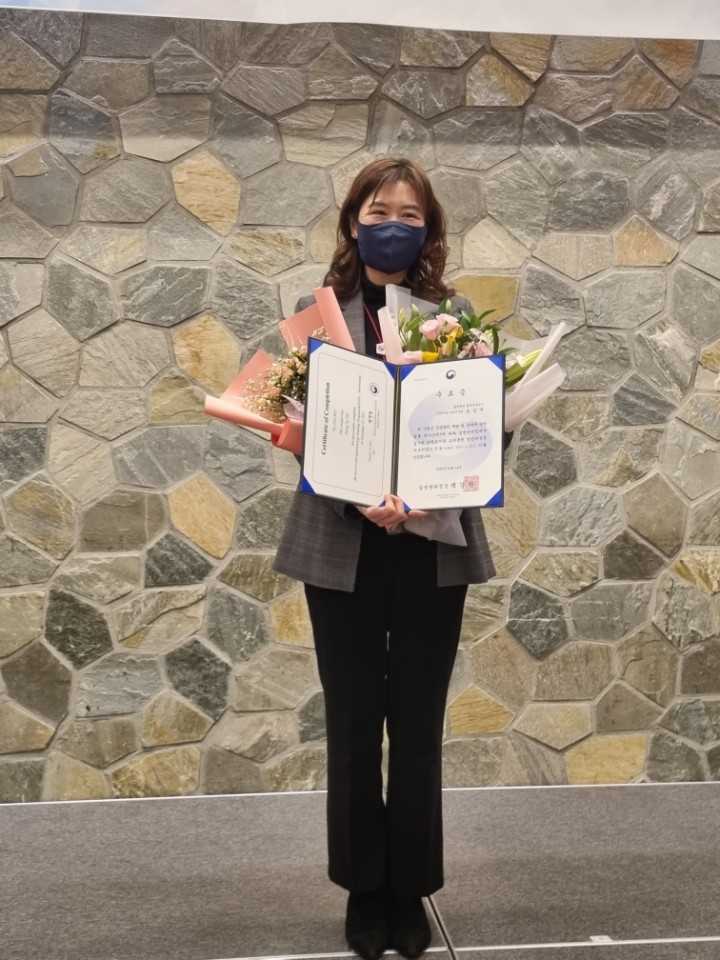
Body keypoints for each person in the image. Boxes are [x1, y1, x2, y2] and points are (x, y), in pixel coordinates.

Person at [273, 157, 499, 960]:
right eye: (378, 211)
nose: (393, 225)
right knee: (352, 721)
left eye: (409, 213)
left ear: (428, 226)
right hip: (344, 543)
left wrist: (432, 494)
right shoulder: (317, 316)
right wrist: (356, 495)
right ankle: (362, 891)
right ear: (353, 221)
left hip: (430, 546)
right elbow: (298, 427)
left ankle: (410, 891)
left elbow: (483, 429)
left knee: (417, 722)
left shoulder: (455, 316)